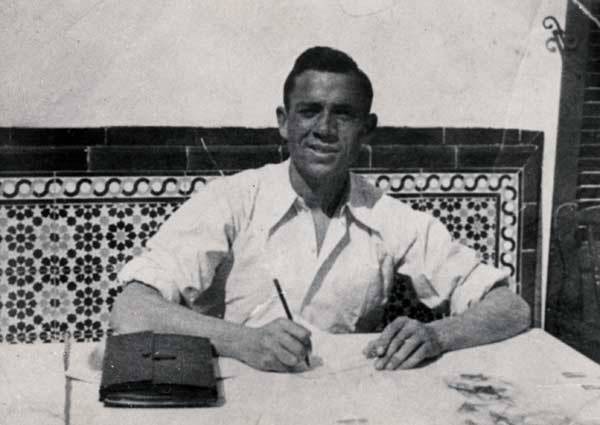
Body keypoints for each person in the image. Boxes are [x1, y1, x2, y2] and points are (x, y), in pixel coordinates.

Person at [110, 46, 531, 372]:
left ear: (367, 129)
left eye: (343, 115)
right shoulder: (231, 199)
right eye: (309, 111)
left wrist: (438, 335)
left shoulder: (388, 215)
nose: (324, 129)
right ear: (284, 121)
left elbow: (511, 308)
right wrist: (242, 341)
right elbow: (131, 309)